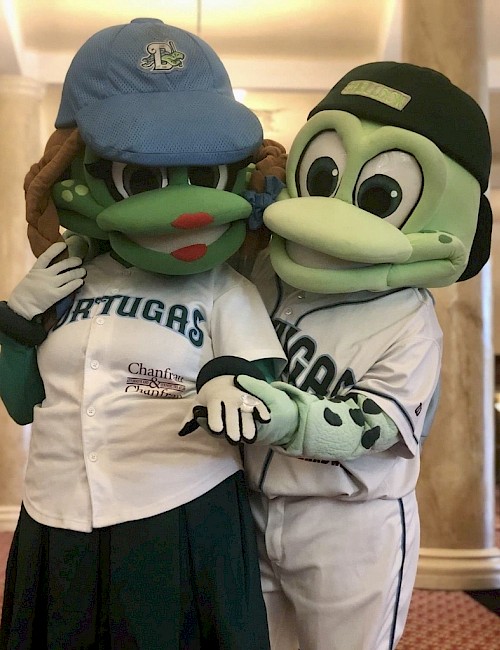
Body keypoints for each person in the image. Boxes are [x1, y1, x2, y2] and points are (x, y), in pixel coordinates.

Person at [0, 18, 286, 649]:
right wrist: (16, 324)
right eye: (144, 175)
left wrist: (230, 383)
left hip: (177, 513)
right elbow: (23, 405)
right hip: (57, 508)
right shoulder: (63, 275)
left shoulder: (221, 286)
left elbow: (259, 376)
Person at [187, 62, 492, 649]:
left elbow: (374, 425)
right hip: (249, 504)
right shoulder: (262, 271)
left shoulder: (410, 319)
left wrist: (287, 415)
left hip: (349, 524)